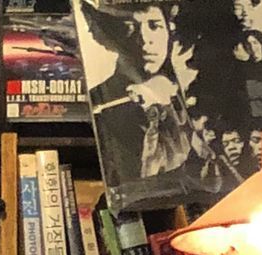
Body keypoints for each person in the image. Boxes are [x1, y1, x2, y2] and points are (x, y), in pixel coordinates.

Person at [81, 1, 193, 197]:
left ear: (169, 31)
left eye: (154, 25)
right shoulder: (99, 102)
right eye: (129, 27)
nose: (144, 39)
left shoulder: (188, 100)